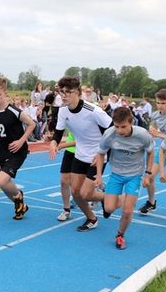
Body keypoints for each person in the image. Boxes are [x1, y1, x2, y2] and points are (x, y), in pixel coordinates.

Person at [49, 76, 112, 232]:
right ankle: (91, 218)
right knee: (76, 193)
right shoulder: (63, 111)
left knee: (86, 193)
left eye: (68, 92)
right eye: (61, 92)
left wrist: (102, 153)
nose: (64, 95)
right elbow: (58, 133)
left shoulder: (94, 111)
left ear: (78, 92)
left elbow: (112, 132)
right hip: (80, 154)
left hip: (97, 155)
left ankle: (106, 198)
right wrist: (53, 142)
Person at [93, 107, 154, 249]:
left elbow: (150, 152)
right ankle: (120, 198)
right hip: (116, 174)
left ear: (131, 122)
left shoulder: (142, 135)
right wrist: (99, 176)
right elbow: (100, 153)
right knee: (108, 208)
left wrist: (148, 173)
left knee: (127, 210)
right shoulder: (109, 134)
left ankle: (120, 235)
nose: (120, 130)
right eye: (117, 126)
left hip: (134, 175)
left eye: (124, 127)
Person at [0, 77, 35, 220]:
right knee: (3, 186)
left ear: (6, 94)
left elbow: (31, 124)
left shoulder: (14, 111)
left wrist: (21, 140)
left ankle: (19, 197)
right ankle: (20, 205)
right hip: (2, 153)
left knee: (2, 181)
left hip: (17, 151)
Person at [139, 89, 166, 215]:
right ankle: (151, 202)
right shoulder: (155, 114)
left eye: (163, 103)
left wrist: (159, 134)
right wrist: (152, 129)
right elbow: (154, 127)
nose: (160, 106)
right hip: (163, 151)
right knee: (149, 177)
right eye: (158, 103)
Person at [56, 131, 76, 221]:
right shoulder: (68, 117)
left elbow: (84, 140)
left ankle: (100, 187)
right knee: (64, 181)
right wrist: (54, 141)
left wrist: (61, 145)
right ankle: (66, 210)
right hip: (70, 151)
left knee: (83, 183)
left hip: (85, 153)